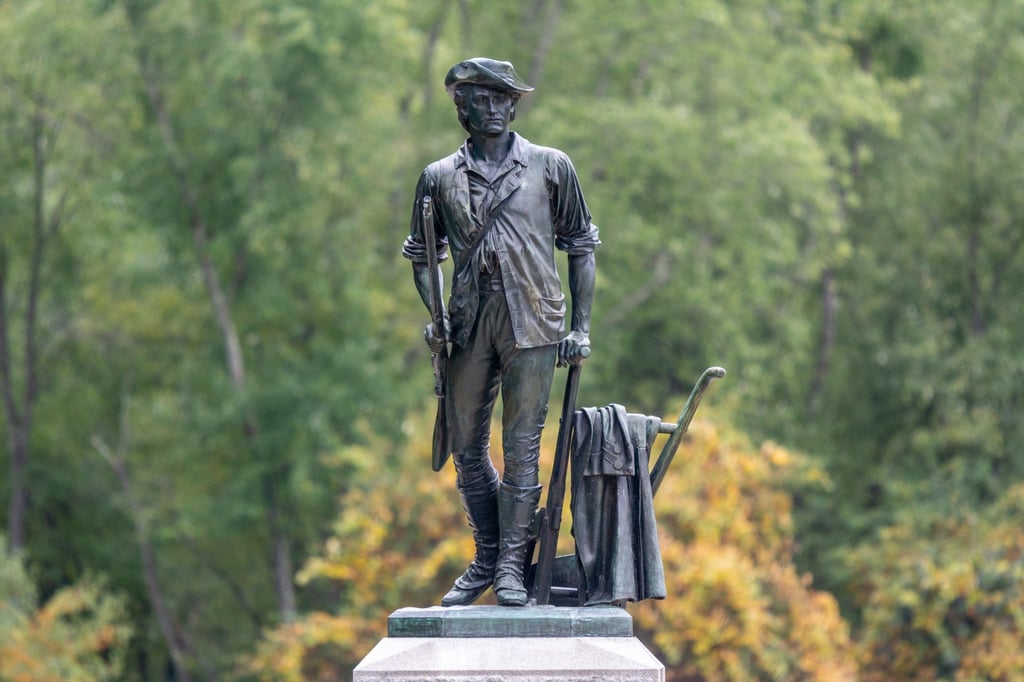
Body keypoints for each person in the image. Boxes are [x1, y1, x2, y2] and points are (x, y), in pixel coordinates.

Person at [403, 57, 599, 607]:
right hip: (468, 324)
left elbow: (581, 246)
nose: (486, 107)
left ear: (513, 105)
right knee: (466, 447)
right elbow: (422, 255)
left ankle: (511, 567)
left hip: (533, 320)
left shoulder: (550, 166)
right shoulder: (438, 177)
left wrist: (580, 328)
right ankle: (486, 553)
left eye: (497, 97)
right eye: (474, 99)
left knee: (522, 448)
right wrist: (435, 312)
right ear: (459, 108)